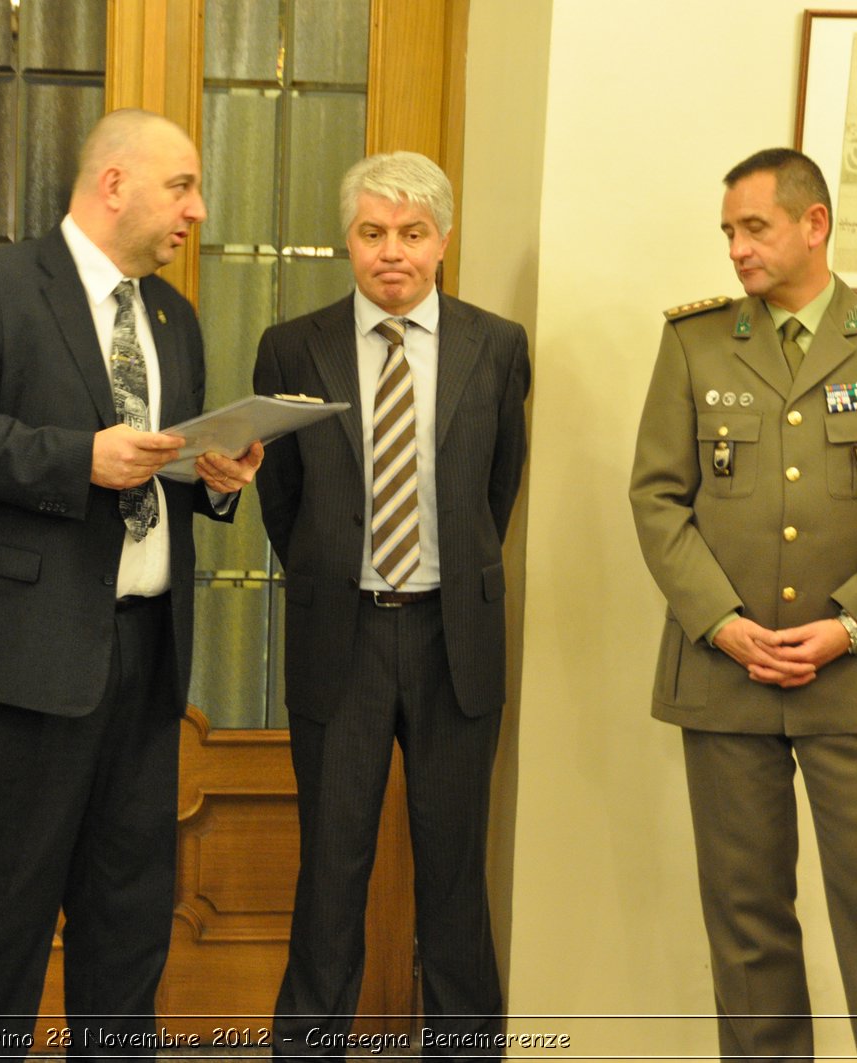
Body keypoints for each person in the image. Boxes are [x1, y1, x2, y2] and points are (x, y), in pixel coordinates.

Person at [0, 107, 262, 1059]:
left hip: (144, 656)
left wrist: (214, 478)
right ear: (113, 183)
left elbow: (162, 461)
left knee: (129, 917)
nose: (197, 209)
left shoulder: (171, 317)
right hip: (15, 659)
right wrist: (74, 459)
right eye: (181, 187)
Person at [629, 147, 857, 1061]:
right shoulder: (695, 341)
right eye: (728, 231)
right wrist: (722, 625)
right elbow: (657, 497)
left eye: (754, 227)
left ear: (813, 224)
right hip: (722, 674)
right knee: (745, 923)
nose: (736, 248)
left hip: (849, 677)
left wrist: (852, 622)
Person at [253, 151, 530, 1058]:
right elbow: (281, 497)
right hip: (345, 638)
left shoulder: (497, 344)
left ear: (443, 241)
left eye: (412, 234)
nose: (392, 253)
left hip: (458, 636)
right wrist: (337, 569)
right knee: (332, 871)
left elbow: (497, 487)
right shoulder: (296, 345)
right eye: (373, 234)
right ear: (349, 240)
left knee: (454, 875)